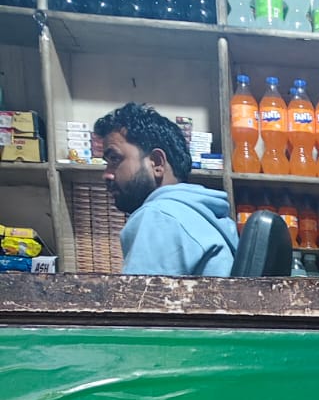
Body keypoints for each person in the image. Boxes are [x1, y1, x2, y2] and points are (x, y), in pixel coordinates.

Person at [93, 102, 237, 277]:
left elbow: (140, 294)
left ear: (157, 163)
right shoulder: (203, 216)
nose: (106, 175)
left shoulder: (159, 216)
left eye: (114, 159)